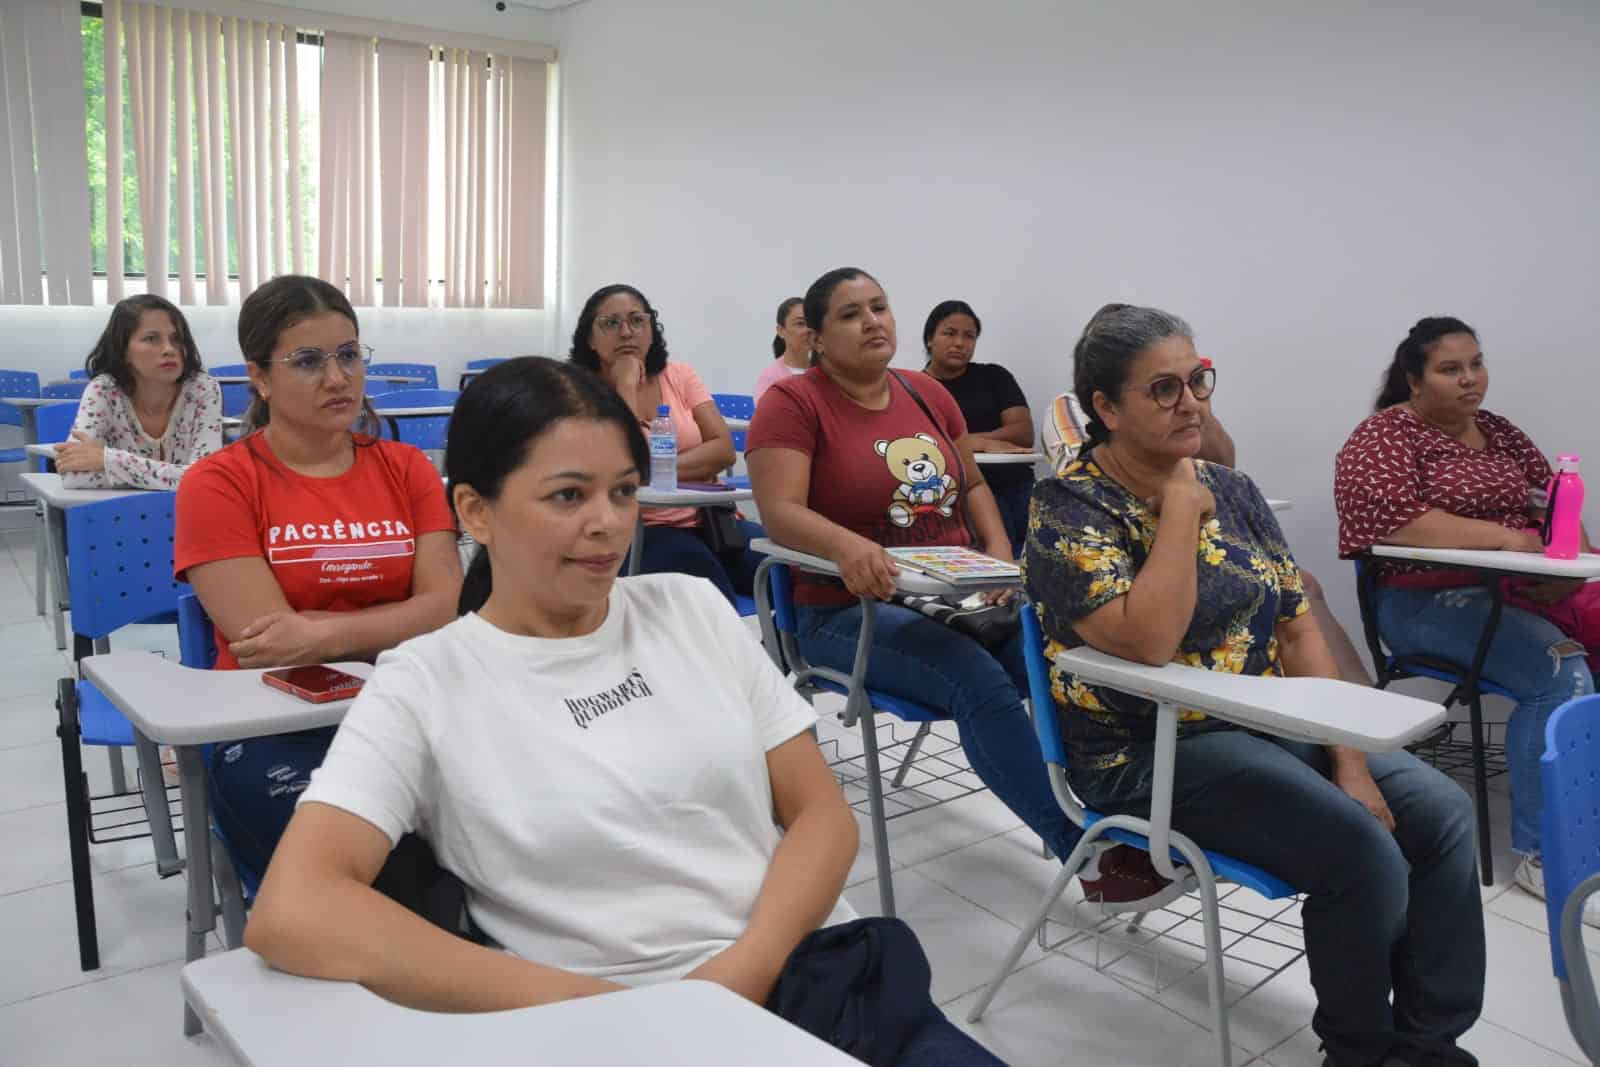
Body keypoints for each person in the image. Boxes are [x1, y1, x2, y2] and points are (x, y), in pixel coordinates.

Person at [241, 357, 1004, 1066]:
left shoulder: (690, 607)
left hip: (816, 980)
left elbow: (823, 816)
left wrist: (738, 976)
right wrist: (613, 1010)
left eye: (624, 491)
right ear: (475, 511)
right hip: (613, 1032)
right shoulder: (426, 681)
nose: (608, 522)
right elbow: (295, 907)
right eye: (568, 495)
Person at [1028, 304, 1484, 1067]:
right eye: (1164, 389)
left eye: (1198, 380)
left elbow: (1298, 630)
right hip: (1147, 749)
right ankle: (1359, 1051)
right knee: (1362, 850)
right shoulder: (1069, 507)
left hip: (1266, 721)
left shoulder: (1233, 490)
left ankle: (1428, 1043)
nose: (1192, 403)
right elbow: (1150, 641)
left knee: (1444, 815)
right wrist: (1179, 507)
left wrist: (1348, 761)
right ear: (1105, 407)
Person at [747, 267, 1164, 903]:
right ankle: (1088, 856)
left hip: (956, 597)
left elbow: (971, 485)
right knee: (977, 680)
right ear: (818, 338)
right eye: (851, 314)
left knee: (1062, 665)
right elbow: (780, 512)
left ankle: (1124, 817)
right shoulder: (793, 404)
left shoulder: (924, 394)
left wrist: (999, 556)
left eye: (879, 306)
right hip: (845, 610)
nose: (873, 321)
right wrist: (848, 547)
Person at [174, 275, 463, 876]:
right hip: (273, 722)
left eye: (349, 355)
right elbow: (266, 641)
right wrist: (395, 622)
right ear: (259, 377)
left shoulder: (407, 468)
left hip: (410, 703)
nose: (337, 378)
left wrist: (319, 633)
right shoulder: (218, 483)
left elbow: (445, 607)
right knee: (379, 866)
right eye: (308, 361)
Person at [1335, 315, 1595, 907]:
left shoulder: (1500, 433)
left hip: (1517, 592)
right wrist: (1505, 540)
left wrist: (1566, 566)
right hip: (1421, 603)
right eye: (1450, 369)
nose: (1470, 379)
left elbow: (1554, 502)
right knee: (1560, 671)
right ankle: (1546, 856)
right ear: (1414, 379)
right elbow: (1396, 523)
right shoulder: (1384, 437)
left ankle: (1587, 818)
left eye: (1476, 364)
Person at [570, 284, 764, 607]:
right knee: (710, 601)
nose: (626, 332)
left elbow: (723, 450)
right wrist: (626, 387)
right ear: (589, 338)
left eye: (637, 321)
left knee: (795, 574)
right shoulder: (577, 392)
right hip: (643, 529)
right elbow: (621, 464)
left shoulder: (680, 375)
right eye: (611, 323)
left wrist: (655, 471)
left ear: (651, 329)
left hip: (714, 520)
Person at [55, 294, 222, 489]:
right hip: (123, 510)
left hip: (188, 508)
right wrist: (175, 476)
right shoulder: (104, 390)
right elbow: (74, 476)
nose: (169, 349)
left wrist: (110, 461)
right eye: (152, 339)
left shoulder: (202, 388)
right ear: (123, 350)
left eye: (177, 339)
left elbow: (207, 478)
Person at [921, 300, 1036, 556]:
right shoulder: (918, 388)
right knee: (1002, 556)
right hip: (965, 490)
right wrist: (985, 443)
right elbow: (928, 444)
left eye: (969, 336)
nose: (959, 343)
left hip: (1018, 483)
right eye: (950, 333)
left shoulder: (994, 376)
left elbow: (1023, 432)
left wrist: (966, 440)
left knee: (1041, 552)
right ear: (930, 339)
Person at [755, 296, 812, 403]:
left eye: (811, 323)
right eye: (800, 323)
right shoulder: (770, 378)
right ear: (781, 330)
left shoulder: (825, 372)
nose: (808, 330)